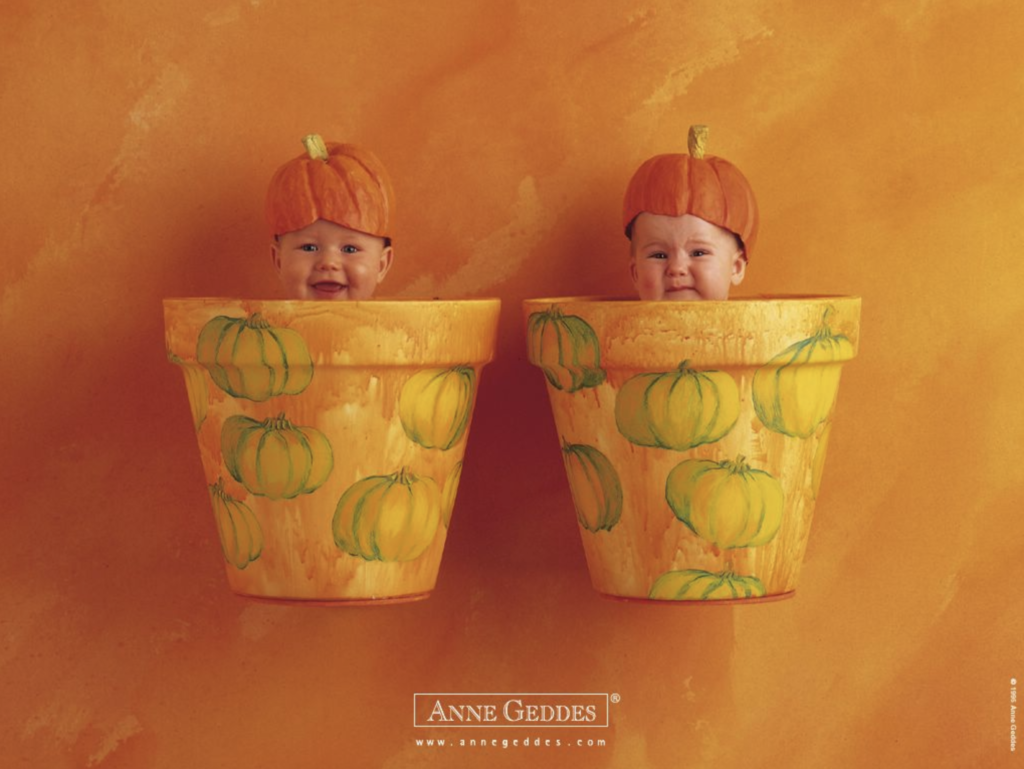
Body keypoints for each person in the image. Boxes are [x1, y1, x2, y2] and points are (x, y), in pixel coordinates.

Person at [622, 125, 758, 301]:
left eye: (699, 253)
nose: (677, 268)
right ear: (635, 273)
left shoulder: (756, 327)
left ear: (736, 267)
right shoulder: (616, 326)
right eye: (659, 255)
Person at [266, 135, 394, 300]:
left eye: (350, 249)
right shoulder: (261, 322)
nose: (328, 263)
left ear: (381, 265)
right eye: (309, 248)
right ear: (279, 261)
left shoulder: (396, 325)